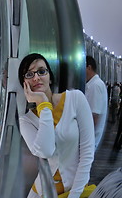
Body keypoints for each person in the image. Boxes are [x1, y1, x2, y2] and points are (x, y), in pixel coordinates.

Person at [18, 53, 95, 198]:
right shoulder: (26, 120)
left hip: (75, 190)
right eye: (29, 74)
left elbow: (87, 152)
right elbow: (46, 150)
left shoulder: (75, 99)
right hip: (42, 192)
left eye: (41, 71)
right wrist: (43, 105)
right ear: (24, 83)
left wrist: (75, 194)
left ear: (50, 76)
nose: (36, 78)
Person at [85, 55, 108, 150]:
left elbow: (94, 116)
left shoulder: (95, 86)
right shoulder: (93, 84)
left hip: (89, 140)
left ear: (89, 67)